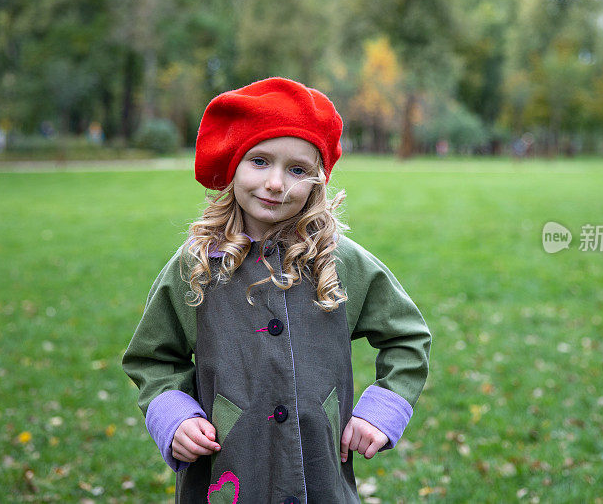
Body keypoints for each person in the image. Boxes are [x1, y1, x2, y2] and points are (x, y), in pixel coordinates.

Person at [122, 77, 431, 503]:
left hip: (320, 476)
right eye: (260, 161)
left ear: (317, 181)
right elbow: (153, 356)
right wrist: (173, 417)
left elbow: (407, 336)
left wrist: (383, 410)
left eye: (297, 169)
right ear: (234, 165)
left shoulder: (339, 262)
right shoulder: (196, 265)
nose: (276, 183)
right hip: (226, 475)